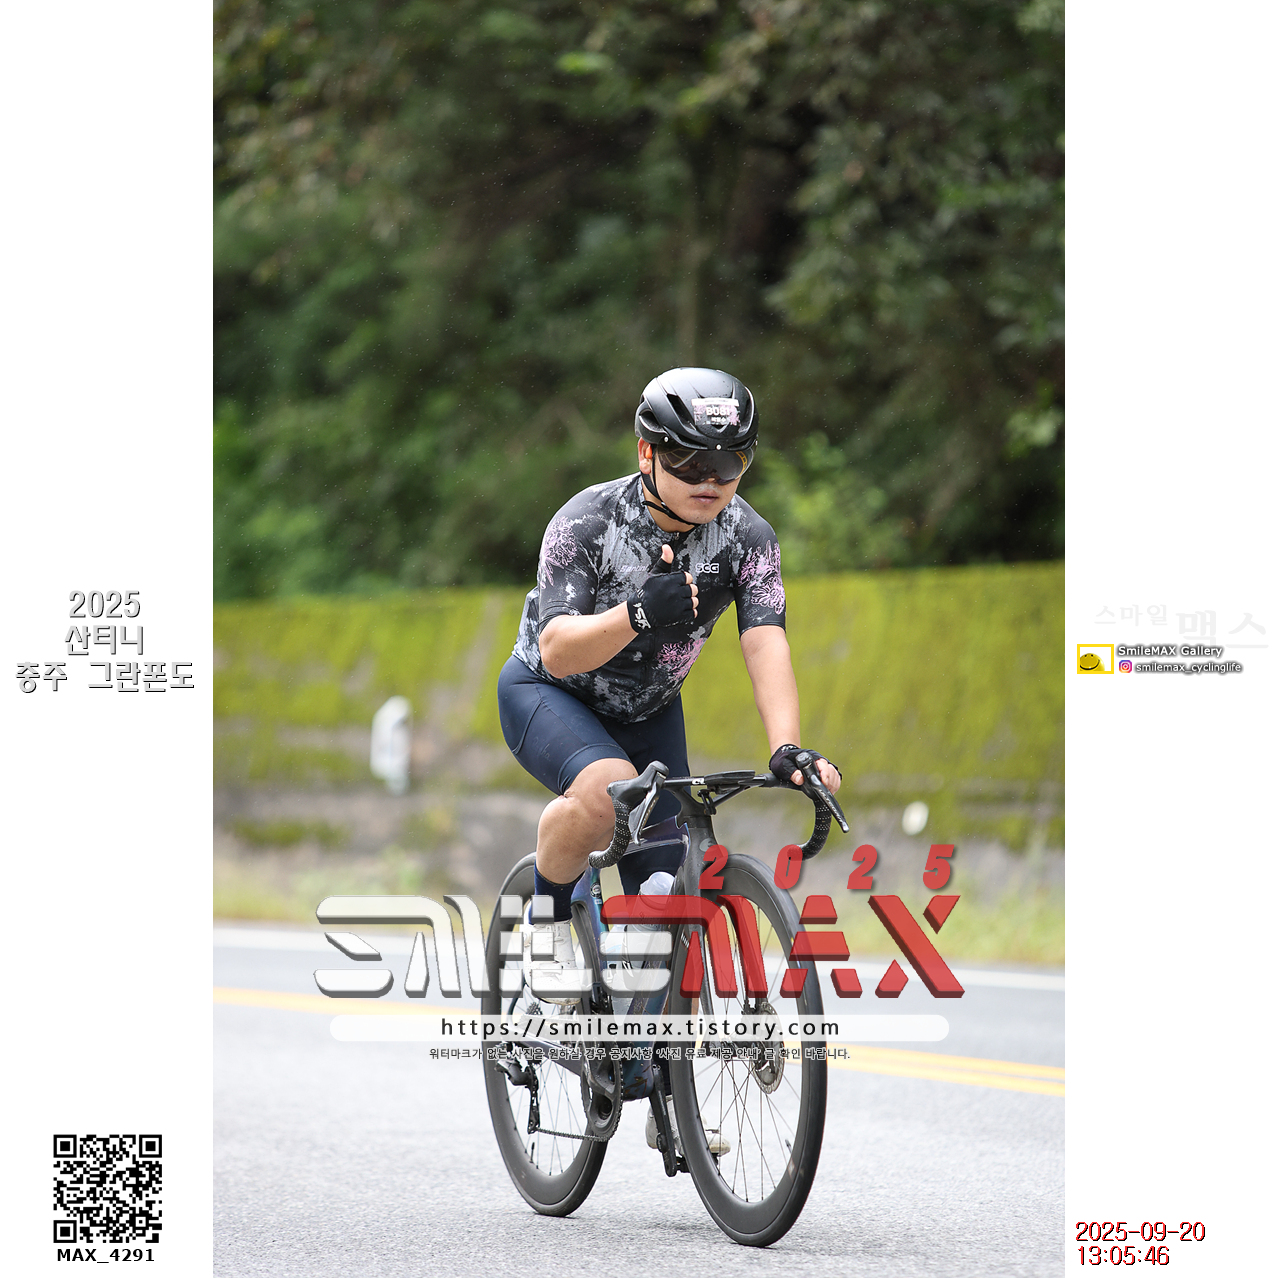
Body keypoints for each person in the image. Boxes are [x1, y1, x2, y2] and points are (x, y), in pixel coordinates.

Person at [496, 367, 843, 1005]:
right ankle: (546, 926)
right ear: (646, 453)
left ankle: (640, 1043)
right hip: (550, 693)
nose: (710, 481)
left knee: (663, 899)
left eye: (729, 464)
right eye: (689, 463)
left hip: (649, 711)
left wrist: (787, 746)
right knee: (604, 794)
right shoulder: (587, 521)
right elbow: (557, 649)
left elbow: (765, 640)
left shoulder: (748, 538)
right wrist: (636, 613)